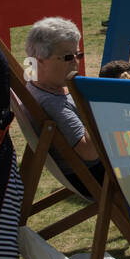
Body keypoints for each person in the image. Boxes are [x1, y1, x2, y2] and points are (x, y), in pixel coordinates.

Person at [23, 17, 106, 195]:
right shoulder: (53, 104)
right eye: (68, 57)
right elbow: (90, 152)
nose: (76, 62)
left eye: (79, 55)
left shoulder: (36, 85)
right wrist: (104, 108)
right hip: (98, 176)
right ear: (40, 60)